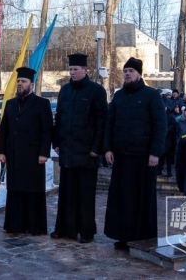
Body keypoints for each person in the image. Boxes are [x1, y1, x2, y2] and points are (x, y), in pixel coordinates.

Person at [104, 57, 166, 250]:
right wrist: (107, 148)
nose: (127, 74)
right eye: (125, 71)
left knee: (142, 199)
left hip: (144, 157)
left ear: (139, 73)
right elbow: (110, 124)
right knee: (122, 198)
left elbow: (160, 125)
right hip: (122, 156)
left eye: (131, 71)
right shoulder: (119, 96)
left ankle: (143, 238)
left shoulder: (151, 95)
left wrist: (155, 152)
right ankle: (123, 236)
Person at [50, 53, 107, 243]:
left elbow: (101, 121)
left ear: (85, 70)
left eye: (76, 69)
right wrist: (56, 143)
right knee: (66, 193)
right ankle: (65, 229)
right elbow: (58, 118)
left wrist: (96, 147)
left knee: (84, 194)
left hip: (87, 152)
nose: (72, 73)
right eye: (70, 69)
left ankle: (86, 231)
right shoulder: (65, 90)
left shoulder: (96, 91)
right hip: (67, 150)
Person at [0, 67, 53, 235]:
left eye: (24, 81)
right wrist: (0, 151)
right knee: (15, 190)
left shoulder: (42, 104)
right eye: (19, 81)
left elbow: (47, 130)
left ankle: (34, 226)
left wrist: (44, 152)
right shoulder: (11, 103)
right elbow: (3, 129)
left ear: (31, 85)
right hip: (13, 154)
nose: (20, 84)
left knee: (32, 190)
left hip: (33, 156)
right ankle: (15, 225)